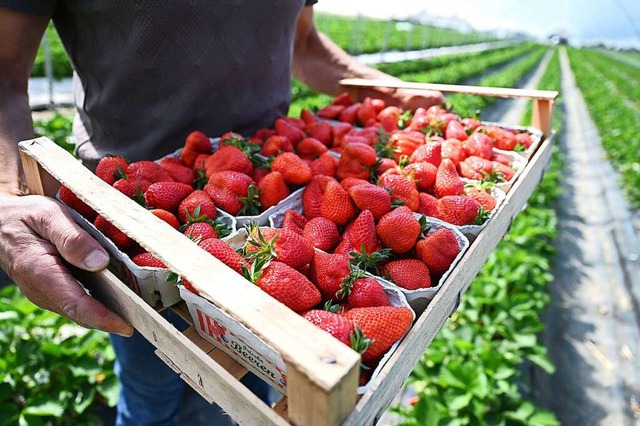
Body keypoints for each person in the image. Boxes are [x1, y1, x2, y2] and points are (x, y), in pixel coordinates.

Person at [0, 2, 443, 425]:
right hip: (122, 217)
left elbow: (305, 45)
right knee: (151, 390)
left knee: (250, 391)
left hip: (265, 196)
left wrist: (390, 89)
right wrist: (9, 195)